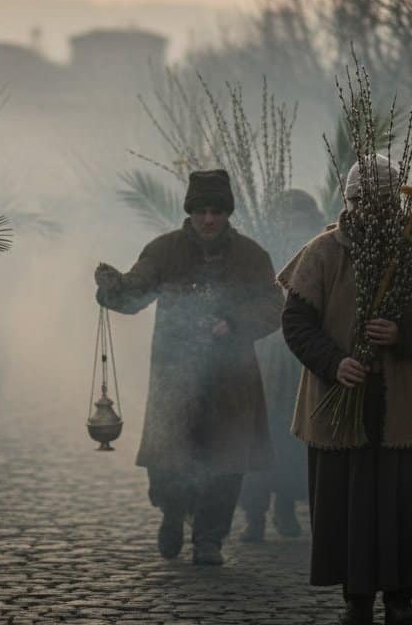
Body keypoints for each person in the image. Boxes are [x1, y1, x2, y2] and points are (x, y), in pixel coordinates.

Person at [277, 156, 412, 625]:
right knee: (348, 505)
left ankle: (401, 599)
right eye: (365, 201)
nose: (375, 211)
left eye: (384, 202)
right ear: (350, 201)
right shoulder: (322, 252)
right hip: (342, 403)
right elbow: (296, 321)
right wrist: (333, 362)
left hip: (405, 405)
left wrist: (403, 333)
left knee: (405, 502)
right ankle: (356, 600)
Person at [94, 169, 281, 565]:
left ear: (227, 212)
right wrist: (113, 288)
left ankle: (210, 538)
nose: (209, 219)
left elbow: (271, 306)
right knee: (169, 459)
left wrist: (233, 322)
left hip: (231, 378)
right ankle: (173, 513)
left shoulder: (251, 256)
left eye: (216, 211)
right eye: (201, 211)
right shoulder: (163, 251)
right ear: (190, 212)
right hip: (174, 374)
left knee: (225, 460)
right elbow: (136, 291)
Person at [241, 188, 325, 542]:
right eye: (287, 219)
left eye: (300, 220)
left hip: (301, 361)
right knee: (257, 440)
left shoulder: (322, 252)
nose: (293, 226)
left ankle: (286, 504)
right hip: (263, 360)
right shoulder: (260, 255)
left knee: (294, 442)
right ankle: (255, 515)